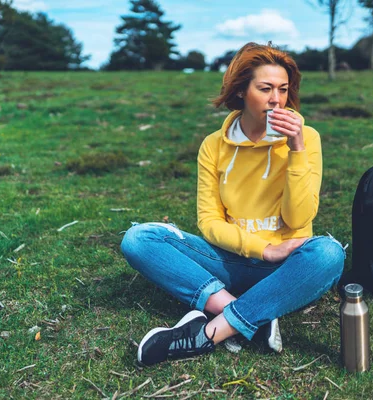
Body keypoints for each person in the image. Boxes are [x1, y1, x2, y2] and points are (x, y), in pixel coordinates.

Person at [120, 42, 345, 367]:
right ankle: (251, 314)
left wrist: (296, 149)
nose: (276, 100)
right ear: (241, 90)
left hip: (287, 266)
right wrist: (262, 250)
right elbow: (209, 222)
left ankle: (210, 331)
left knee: (329, 253)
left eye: (283, 89)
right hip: (230, 261)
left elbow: (300, 216)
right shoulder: (214, 145)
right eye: (265, 88)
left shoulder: (306, 138)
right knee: (139, 239)